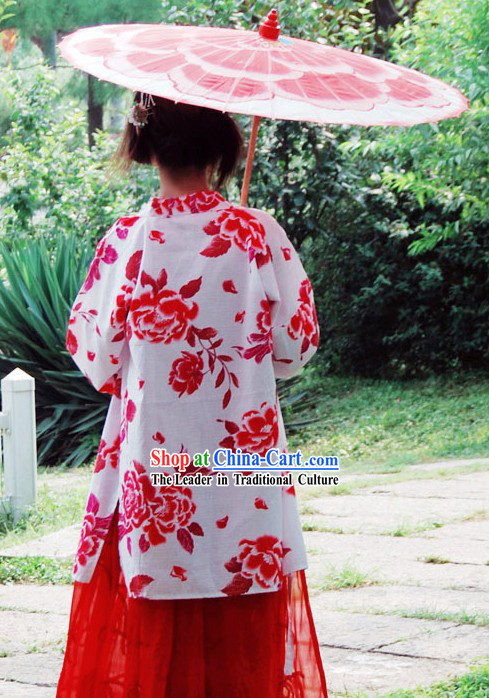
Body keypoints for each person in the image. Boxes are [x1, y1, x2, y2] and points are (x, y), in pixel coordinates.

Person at [56, 91, 327, 697]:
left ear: (144, 146)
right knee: (243, 622)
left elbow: (95, 358)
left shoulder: (128, 240)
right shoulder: (258, 233)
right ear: (221, 148)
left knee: (156, 632)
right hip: (243, 472)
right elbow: (294, 353)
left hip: (153, 479)